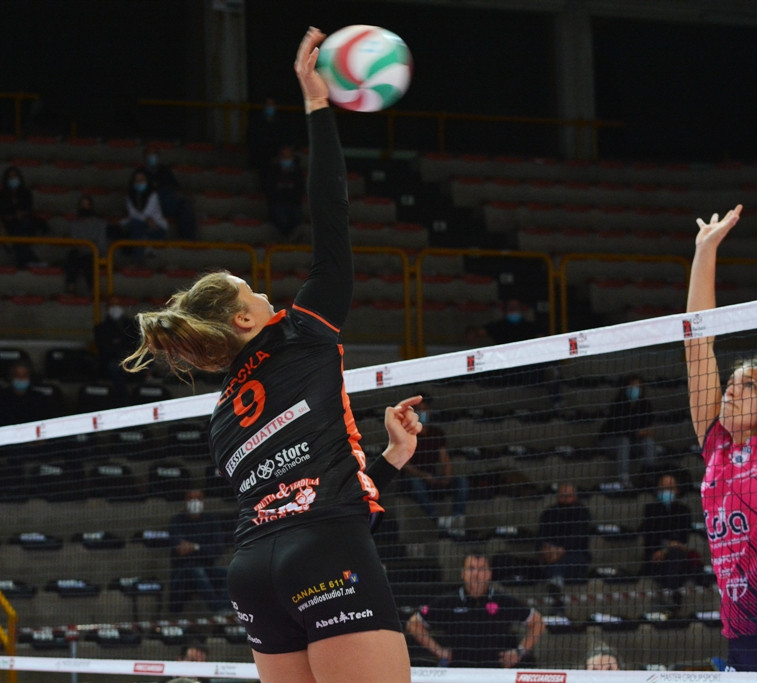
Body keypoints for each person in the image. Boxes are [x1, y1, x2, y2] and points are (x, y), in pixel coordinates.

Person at [122, 27, 423, 683]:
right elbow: (331, 217)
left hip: (255, 574)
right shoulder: (301, 332)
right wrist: (317, 105)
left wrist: (391, 460)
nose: (265, 292)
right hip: (325, 553)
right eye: (251, 290)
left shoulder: (224, 414)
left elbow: (299, 498)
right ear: (242, 319)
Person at [684, 203, 757, 672]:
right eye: (731, 383)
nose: (731, 390)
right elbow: (698, 345)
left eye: (748, 385)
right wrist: (704, 252)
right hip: (743, 632)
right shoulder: (715, 445)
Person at [405, 552, 545, 668]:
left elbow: (538, 623)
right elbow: (413, 624)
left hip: (494, 673)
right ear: (463, 573)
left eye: (482, 569)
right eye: (471, 569)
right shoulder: (448, 601)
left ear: (489, 574)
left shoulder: (504, 601)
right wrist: (439, 651)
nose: (476, 574)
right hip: (459, 672)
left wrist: (519, 652)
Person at [401, 398, 469, 536]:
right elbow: (405, 464)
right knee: (415, 483)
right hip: (415, 478)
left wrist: (447, 476)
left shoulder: (436, 433)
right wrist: (423, 475)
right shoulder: (405, 434)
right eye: (418, 410)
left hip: (433, 477)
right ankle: (438, 519)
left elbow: (445, 458)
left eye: (424, 410)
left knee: (461, 481)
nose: (422, 413)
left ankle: (457, 520)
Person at [639, 473, 699, 611]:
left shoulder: (684, 511)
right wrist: (662, 550)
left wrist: (669, 549)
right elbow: (649, 537)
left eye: (670, 488)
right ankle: (673, 596)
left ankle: (669, 594)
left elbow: (683, 539)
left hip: (677, 555)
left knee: (675, 555)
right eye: (663, 488)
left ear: (677, 490)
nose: (667, 492)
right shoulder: (651, 510)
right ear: (658, 491)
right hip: (655, 558)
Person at [167, 490, 232, 615]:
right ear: (185, 501)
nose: (194, 502)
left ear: (203, 502)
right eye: (191, 498)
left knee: (229, 574)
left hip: (207, 567)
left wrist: (195, 547)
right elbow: (181, 549)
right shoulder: (177, 521)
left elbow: (218, 549)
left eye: (198, 498)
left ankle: (227, 608)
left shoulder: (211, 521)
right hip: (183, 570)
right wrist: (205, 549)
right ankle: (219, 609)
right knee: (197, 571)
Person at [536, 482, 592, 612]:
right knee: (552, 563)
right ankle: (556, 595)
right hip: (551, 556)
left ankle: (556, 589)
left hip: (576, 558)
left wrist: (561, 550)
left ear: (575, 496)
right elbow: (540, 537)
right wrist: (546, 550)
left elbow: (578, 537)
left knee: (558, 564)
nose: (565, 500)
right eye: (562, 496)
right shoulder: (549, 513)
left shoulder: (582, 513)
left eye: (568, 496)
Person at [600, 373, 658, 488]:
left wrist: (644, 432)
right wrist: (637, 433)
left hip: (633, 444)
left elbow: (648, 428)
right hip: (611, 442)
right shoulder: (617, 404)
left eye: (638, 386)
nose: (635, 389)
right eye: (632, 386)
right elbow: (618, 429)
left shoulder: (645, 405)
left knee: (648, 442)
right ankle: (624, 479)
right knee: (624, 441)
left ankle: (648, 475)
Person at [137, 144, 197, 240]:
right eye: (150, 154)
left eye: (155, 153)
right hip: (150, 204)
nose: (153, 156)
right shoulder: (139, 173)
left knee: (185, 206)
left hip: (167, 202)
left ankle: (188, 241)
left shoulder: (165, 170)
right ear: (145, 157)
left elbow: (176, 187)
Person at [0, 165, 44, 268]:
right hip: (8, 223)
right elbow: (1, 212)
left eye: (15, 176)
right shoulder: (0, 194)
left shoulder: (26, 193)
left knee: (21, 228)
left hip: (24, 222)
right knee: (16, 232)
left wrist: (22, 214)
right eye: (10, 177)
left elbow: (29, 209)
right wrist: (13, 216)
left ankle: (24, 262)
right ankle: (31, 260)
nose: (13, 179)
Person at [0, 361, 54, 428]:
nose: (21, 379)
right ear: (10, 377)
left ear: (30, 377)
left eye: (24, 376)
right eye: (17, 375)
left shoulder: (39, 398)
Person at [64, 194, 108, 294]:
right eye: (82, 204)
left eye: (87, 204)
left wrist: (91, 250)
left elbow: (101, 242)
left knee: (88, 260)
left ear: (91, 207)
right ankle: (71, 288)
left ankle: (93, 290)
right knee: (72, 256)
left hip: (93, 253)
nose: (84, 207)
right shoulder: (73, 224)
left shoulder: (100, 224)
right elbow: (73, 241)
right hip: (78, 252)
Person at [121, 169, 169, 261]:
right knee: (136, 226)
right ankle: (143, 253)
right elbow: (134, 215)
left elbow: (146, 214)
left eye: (142, 180)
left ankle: (138, 258)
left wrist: (146, 220)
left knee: (137, 227)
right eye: (137, 180)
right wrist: (146, 220)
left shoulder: (153, 195)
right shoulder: (130, 197)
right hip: (139, 227)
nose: (140, 182)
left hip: (157, 228)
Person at [261, 143, 304, 242]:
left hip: (293, 203)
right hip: (278, 202)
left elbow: (300, 187)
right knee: (280, 220)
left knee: (296, 221)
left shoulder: (297, 170)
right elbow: (269, 186)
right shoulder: (273, 169)